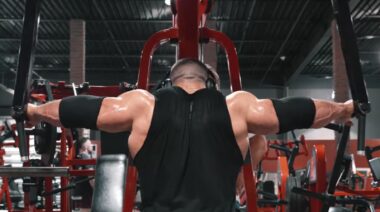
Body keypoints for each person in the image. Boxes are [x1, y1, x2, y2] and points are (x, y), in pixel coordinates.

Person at [26, 58, 354, 211]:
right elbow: (300, 110)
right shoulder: (237, 107)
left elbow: (78, 110)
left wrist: (32, 111)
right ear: (209, 82)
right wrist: (345, 109)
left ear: (171, 80)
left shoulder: (142, 105)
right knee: (259, 137)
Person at [73, 137, 95, 210]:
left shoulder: (78, 157)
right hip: (85, 196)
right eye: (90, 144)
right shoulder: (85, 157)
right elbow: (91, 178)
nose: (92, 146)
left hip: (79, 194)